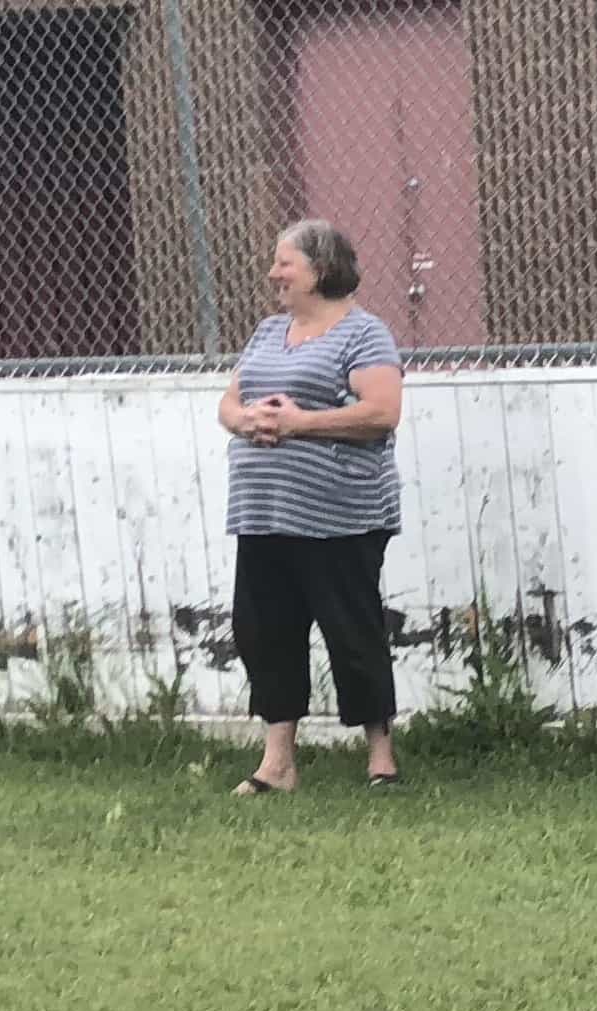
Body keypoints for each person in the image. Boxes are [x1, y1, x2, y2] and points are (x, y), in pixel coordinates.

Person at [215, 221, 406, 796]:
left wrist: (300, 423)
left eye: (284, 263)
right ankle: (278, 763)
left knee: (352, 632)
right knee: (264, 633)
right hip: (264, 511)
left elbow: (381, 411)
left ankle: (381, 757)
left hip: (338, 516)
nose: (274, 273)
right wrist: (244, 419)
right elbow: (231, 397)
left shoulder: (364, 335)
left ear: (319, 270)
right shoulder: (270, 331)